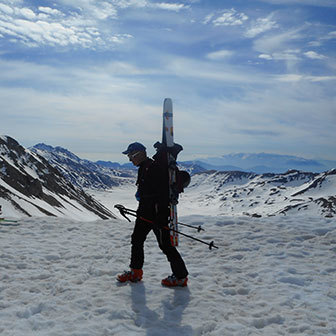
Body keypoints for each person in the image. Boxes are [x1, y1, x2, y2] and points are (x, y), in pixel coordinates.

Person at [117, 142, 189, 287]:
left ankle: (181, 277)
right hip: (145, 213)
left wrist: (161, 217)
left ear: (138, 154)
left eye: (131, 155)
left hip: (156, 215)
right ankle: (135, 272)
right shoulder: (144, 168)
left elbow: (161, 195)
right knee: (136, 240)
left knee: (166, 245)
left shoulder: (153, 168)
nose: (130, 159)